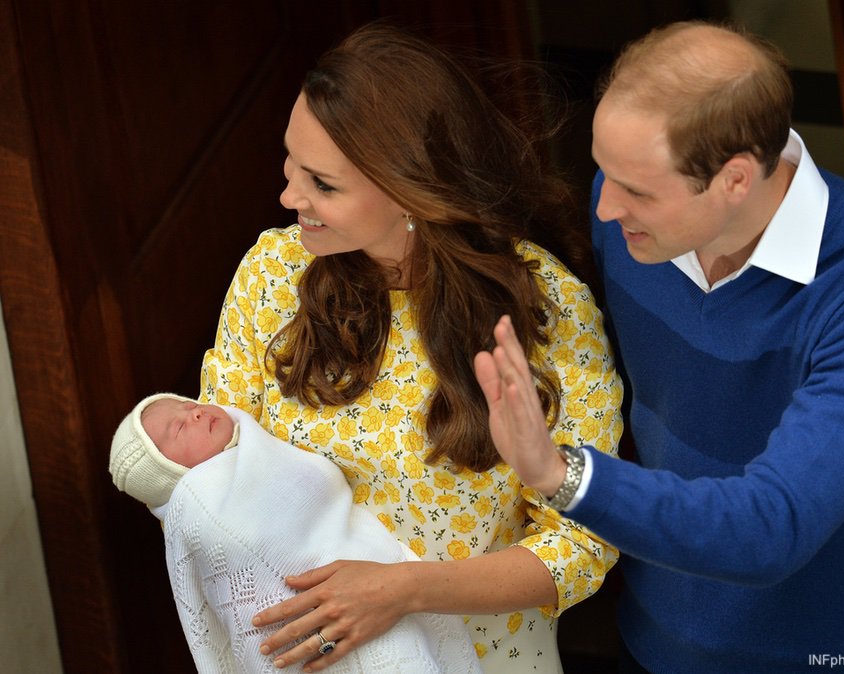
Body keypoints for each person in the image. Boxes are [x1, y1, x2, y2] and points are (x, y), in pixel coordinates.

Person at [474, 20, 844, 674]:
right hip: (651, 639)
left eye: (637, 189)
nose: (606, 207)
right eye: (603, 172)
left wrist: (561, 475)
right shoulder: (631, 220)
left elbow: (769, 529)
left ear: (734, 179)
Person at [198, 20, 624, 674]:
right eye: (290, 163)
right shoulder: (271, 276)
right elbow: (213, 476)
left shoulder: (547, 312)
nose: (289, 196)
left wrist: (404, 590)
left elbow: (581, 545)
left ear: (412, 190)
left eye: (323, 184)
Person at [108, 393, 483, 674]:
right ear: (171, 473)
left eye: (187, 406)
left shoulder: (256, 449)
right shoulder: (202, 504)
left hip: (373, 587)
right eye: (179, 427)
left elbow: (316, 496)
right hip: (320, 624)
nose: (195, 413)